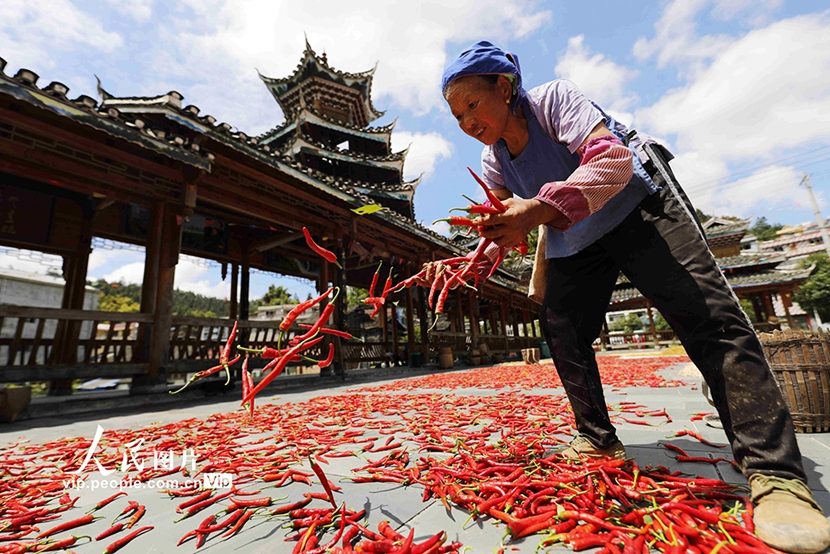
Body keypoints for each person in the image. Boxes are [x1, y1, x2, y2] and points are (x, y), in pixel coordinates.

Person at [426, 40, 830, 554]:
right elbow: (502, 226)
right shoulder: (494, 160)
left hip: (639, 206)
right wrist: (469, 260)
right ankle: (597, 437)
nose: (466, 122)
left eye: (472, 106)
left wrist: (538, 208)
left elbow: (611, 159)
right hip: (575, 232)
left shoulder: (553, 100)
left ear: (503, 88)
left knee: (709, 320)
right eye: (456, 114)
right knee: (563, 326)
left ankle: (776, 477)